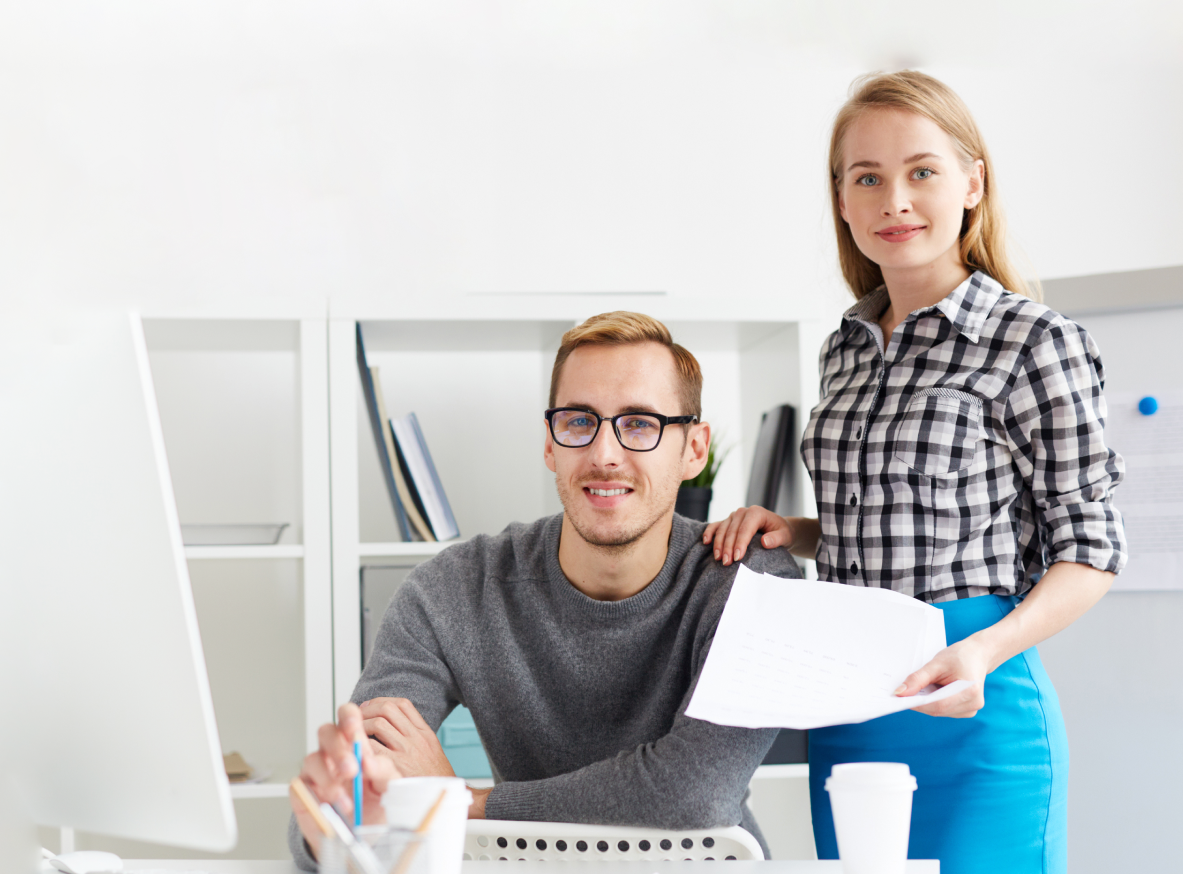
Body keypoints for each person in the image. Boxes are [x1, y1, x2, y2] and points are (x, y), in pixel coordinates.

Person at [702, 71, 1125, 874]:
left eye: (921, 171)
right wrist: (796, 531)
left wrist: (985, 651)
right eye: (867, 178)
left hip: (975, 707)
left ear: (972, 184)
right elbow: (898, 518)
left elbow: (1092, 550)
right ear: (842, 200)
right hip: (850, 707)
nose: (895, 200)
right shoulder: (845, 350)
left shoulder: (1034, 342)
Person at [286, 311, 801, 869]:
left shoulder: (749, 582)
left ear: (694, 450)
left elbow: (695, 794)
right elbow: (341, 804)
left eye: (639, 424)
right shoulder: (453, 591)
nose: (604, 454)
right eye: (579, 421)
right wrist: (337, 816)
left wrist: (462, 802)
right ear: (551, 444)